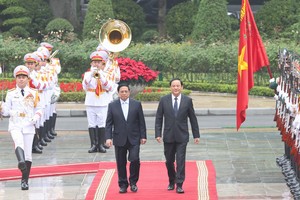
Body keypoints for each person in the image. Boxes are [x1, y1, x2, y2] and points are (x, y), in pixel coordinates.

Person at [0, 65, 42, 190]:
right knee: (18, 142)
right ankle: (21, 162)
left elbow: (39, 109)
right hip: (15, 124)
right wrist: (1, 109)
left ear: (27, 78)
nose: (21, 79)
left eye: (23, 77)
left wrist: (35, 118)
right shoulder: (11, 93)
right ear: (16, 79)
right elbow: (7, 111)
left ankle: (24, 180)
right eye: (19, 77)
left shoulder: (34, 93)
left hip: (29, 125)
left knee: (28, 154)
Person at [155, 78, 200, 194]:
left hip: (182, 136)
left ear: (182, 87)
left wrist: (196, 135)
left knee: (180, 160)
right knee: (169, 161)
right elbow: (159, 118)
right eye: (173, 86)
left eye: (178, 86)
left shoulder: (187, 101)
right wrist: (158, 134)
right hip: (168, 136)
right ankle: (172, 180)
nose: (176, 88)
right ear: (170, 87)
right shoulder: (164, 100)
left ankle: (179, 184)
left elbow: (193, 119)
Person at [105, 83, 147, 193]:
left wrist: (143, 136)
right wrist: (108, 138)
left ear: (129, 92)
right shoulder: (112, 105)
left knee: (134, 159)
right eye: (121, 92)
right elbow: (109, 123)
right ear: (118, 93)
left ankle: (133, 182)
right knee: (121, 162)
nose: (124, 93)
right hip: (119, 138)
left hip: (134, 138)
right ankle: (123, 184)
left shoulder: (136, 104)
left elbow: (141, 122)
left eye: (126, 91)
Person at [82, 50, 115, 153]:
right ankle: (93, 145)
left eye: (98, 62)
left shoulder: (106, 74)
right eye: (94, 62)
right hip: (91, 100)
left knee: (102, 123)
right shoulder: (88, 74)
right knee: (91, 123)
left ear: (102, 63)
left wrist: (101, 77)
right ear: (91, 63)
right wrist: (91, 75)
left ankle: (101, 144)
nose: (96, 64)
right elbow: (84, 86)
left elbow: (110, 87)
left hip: (102, 101)